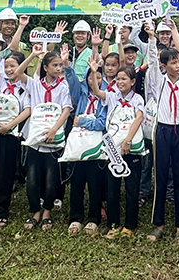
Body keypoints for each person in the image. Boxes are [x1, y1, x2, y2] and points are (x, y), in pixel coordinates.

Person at [0, 43, 40, 228]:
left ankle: (2, 212)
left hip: (11, 135)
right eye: (7, 66)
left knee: (5, 173)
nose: (9, 70)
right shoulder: (0, 81)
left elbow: (27, 110)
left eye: (13, 66)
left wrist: (9, 126)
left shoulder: (26, 87)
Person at [144, 20, 179, 244]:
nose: (178, 65)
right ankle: (158, 223)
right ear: (164, 66)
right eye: (172, 63)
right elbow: (152, 61)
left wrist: (174, 31)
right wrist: (152, 37)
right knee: (160, 177)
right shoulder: (158, 81)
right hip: (161, 131)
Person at [90, 62, 144, 238]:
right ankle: (113, 225)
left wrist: (128, 140)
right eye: (118, 79)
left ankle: (130, 225)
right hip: (112, 150)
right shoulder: (112, 97)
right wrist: (94, 71)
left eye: (124, 78)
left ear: (133, 81)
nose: (120, 82)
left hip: (131, 149)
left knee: (131, 189)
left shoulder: (138, 99)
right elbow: (97, 92)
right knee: (112, 188)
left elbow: (138, 119)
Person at [23, 49, 72, 231]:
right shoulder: (35, 85)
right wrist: (33, 56)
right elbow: (19, 73)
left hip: (53, 139)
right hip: (35, 139)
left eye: (61, 65)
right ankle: (35, 211)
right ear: (45, 67)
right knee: (33, 178)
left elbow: (66, 110)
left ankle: (47, 212)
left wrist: (54, 129)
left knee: (52, 179)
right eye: (55, 65)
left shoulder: (63, 86)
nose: (59, 68)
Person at [65, 57, 107, 237]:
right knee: (77, 181)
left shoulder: (106, 97)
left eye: (98, 77)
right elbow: (72, 81)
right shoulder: (81, 94)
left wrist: (82, 121)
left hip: (96, 144)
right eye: (91, 77)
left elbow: (102, 123)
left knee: (95, 182)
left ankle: (93, 219)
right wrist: (67, 64)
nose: (94, 81)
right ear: (86, 79)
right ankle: (76, 216)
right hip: (78, 143)